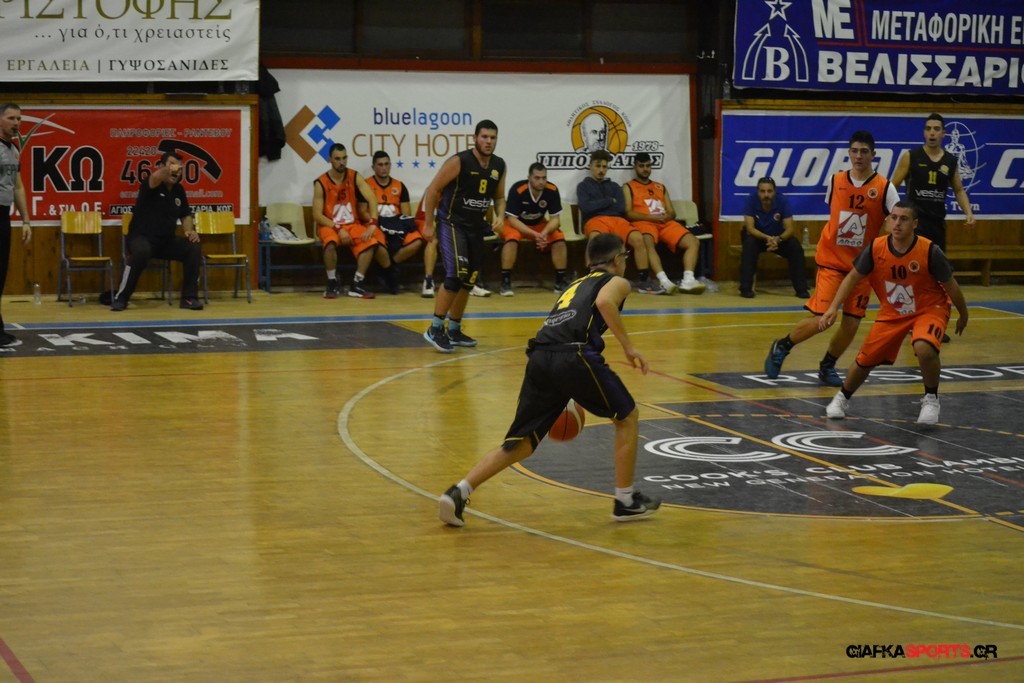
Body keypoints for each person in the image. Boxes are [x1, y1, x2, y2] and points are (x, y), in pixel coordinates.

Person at [438, 233, 661, 527]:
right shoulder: (617, 281)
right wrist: (629, 347)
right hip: (574, 355)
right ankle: (625, 501)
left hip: (540, 357)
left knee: (520, 443)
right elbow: (605, 302)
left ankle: (459, 491)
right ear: (617, 259)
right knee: (627, 417)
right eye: (625, 257)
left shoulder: (574, 284)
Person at [764, 131, 900, 386]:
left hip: (862, 267)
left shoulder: (885, 188)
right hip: (832, 262)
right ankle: (782, 345)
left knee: (851, 323)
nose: (858, 156)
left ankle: (827, 366)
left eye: (864, 151)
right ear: (849, 153)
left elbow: (896, 220)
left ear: (873, 154)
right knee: (823, 318)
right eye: (854, 151)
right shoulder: (836, 180)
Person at [819, 201, 968, 425]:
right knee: (865, 359)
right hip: (893, 311)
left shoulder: (929, 251)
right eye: (894, 218)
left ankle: (931, 399)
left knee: (924, 347)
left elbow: (952, 286)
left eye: (904, 219)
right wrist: (833, 307)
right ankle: (842, 397)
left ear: (915, 224)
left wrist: (963, 314)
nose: (897, 223)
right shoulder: (875, 248)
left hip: (929, 308)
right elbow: (851, 278)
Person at [421, 119, 506, 353]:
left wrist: (500, 215)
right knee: (455, 274)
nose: (488, 141)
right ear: (475, 138)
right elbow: (433, 189)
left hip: (476, 227)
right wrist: (428, 223)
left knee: (469, 279)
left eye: (493, 138)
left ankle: (454, 328)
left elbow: (499, 196)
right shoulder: (460, 161)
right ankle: (435, 327)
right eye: (484, 137)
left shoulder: (499, 165)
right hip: (452, 223)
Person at [112, 151, 204, 311]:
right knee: (141, 252)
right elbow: (156, 176)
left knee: (193, 248)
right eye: (172, 165)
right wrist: (169, 169)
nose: (176, 171)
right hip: (141, 238)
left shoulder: (179, 190)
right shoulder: (152, 184)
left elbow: (185, 215)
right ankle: (121, 298)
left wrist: (190, 231)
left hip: (165, 241)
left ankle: (189, 298)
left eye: (179, 168)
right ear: (161, 166)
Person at [312, 142, 391, 299]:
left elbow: (372, 199)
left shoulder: (354, 176)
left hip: (352, 224)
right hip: (330, 225)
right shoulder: (321, 182)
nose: (341, 162)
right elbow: (317, 215)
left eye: (344, 158)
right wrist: (338, 228)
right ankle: (332, 281)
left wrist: (373, 223)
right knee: (330, 243)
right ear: (330, 160)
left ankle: (357, 283)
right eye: (337, 159)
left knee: (370, 242)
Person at [576, 150, 662, 294]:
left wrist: (599, 203)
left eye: (604, 167)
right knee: (595, 239)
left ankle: (644, 280)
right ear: (590, 166)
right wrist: (609, 201)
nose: (601, 170)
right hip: (595, 219)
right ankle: (591, 279)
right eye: (598, 166)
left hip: (617, 219)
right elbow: (586, 207)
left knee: (638, 238)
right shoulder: (583, 186)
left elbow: (621, 208)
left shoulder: (615, 186)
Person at [890, 114, 975, 254]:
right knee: (913, 262)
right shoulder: (911, 156)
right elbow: (892, 187)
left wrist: (968, 213)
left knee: (936, 264)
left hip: (937, 223)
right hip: (914, 223)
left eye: (936, 129)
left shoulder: (950, 161)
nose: (932, 133)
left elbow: (959, 190)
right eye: (928, 129)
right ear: (924, 133)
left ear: (943, 134)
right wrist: (890, 215)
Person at [623, 152, 705, 294]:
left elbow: (672, 212)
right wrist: (651, 218)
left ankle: (688, 280)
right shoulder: (628, 186)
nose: (645, 169)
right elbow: (628, 213)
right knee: (646, 242)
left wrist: (667, 217)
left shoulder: (660, 186)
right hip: (644, 222)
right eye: (641, 166)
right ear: (635, 167)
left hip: (664, 223)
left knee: (693, 242)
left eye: (648, 166)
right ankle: (663, 281)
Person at [498, 162, 570, 296]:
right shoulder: (518, 189)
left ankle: (560, 281)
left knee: (559, 238)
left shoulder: (552, 190)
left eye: (544, 178)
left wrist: (544, 233)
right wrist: (534, 234)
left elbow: (555, 219)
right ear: (529, 178)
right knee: (512, 239)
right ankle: (505, 282)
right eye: (537, 178)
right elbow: (512, 219)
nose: (541, 181)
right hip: (515, 224)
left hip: (538, 224)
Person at [361, 150, 420, 294]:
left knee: (417, 240)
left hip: (396, 225)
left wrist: (393, 224)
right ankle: (390, 274)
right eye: (380, 165)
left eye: (386, 164)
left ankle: (387, 267)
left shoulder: (399, 186)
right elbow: (362, 212)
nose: (384, 168)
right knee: (375, 243)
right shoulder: (365, 185)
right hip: (375, 225)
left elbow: (406, 214)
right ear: (373, 167)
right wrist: (377, 222)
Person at [739, 177, 809, 299]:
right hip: (758, 238)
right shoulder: (750, 200)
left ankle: (801, 289)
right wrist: (767, 238)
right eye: (762, 191)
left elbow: (790, 229)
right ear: (758, 192)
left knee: (795, 246)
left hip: (777, 239)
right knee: (749, 244)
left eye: (769, 191)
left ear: (775, 191)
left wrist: (778, 239)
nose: (766, 195)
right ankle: (745, 289)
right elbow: (750, 228)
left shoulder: (782, 201)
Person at [0, 103, 31, 346]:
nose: (16, 123)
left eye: (19, 119)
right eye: (11, 118)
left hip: (4, 214)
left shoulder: (14, 149)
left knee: (1, 273)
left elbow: (18, 186)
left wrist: (26, 220)